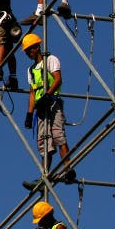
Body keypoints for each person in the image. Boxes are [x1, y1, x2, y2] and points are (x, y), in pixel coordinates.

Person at [21, 34, 75, 189]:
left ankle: (68, 169)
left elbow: (58, 79)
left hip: (52, 104)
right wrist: (29, 114)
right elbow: (32, 93)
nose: (28, 53)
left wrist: (48, 95)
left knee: (58, 136)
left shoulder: (50, 60)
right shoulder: (31, 70)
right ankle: (44, 176)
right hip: (41, 110)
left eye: (29, 50)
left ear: (37, 47)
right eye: (26, 51)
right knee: (45, 144)